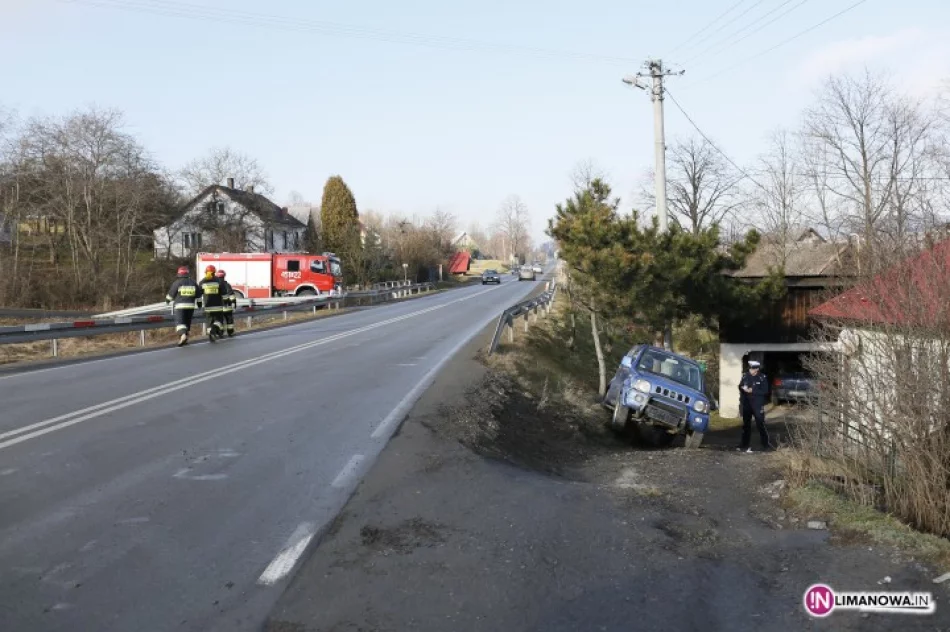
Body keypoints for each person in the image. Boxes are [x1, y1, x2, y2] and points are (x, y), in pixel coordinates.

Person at [738, 360, 771, 452]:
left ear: (757, 369)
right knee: (746, 425)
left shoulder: (762, 377)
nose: (750, 370)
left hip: (757, 404)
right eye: (750, 369)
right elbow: (740, 385)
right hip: (747, 404)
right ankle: (744, 444)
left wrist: (753, 391)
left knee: (760, 424)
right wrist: (742, 388)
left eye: (752, 369)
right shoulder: (746, 376)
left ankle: (765, 444)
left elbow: (765, 391)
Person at [165, 266, 202, 346]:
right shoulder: (193, 282)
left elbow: (171, 294)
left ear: (179, 273)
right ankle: (185, 338)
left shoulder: (177, 283)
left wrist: (167, 300)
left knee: (180, 322)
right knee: (187, 322)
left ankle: (183, 335)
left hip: (180, 306)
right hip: (191, 306)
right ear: (187, 273)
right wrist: (199, 304)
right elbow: (199, 295)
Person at [199, 264, 225, 342]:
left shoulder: (202, 281)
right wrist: (227, 301)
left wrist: (199, 304)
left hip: (207, 306)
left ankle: (211, 334)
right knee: (219, 320)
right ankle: (214, 329)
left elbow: (198, 294)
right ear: (214, 272)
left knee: (209, 321)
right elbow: (224, 293)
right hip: (218, 306)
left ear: (206, 272)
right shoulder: (219, 281)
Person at [216, 269, 236, 338]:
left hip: (219, 307)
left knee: (220, 321)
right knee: (229, 320)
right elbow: (232, 295)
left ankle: (220, 333)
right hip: (227, 307)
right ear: (224, 276)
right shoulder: (227, 285)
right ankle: (230, 332)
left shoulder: (216, 285)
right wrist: (234, 304)